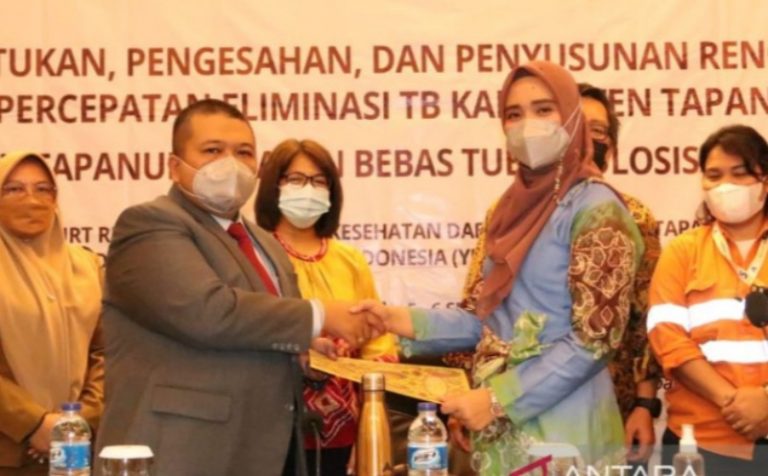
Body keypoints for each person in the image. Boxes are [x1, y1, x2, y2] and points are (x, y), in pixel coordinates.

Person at [359, 61, 644, 474]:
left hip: (567, 428)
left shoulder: (598, 210)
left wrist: (497, 399)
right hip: (502, 432)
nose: (528, 125)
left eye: (543, 109)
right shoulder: (511, 210)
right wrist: (392, 319)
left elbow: (595, 341)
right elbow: (487, 321)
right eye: (514, 114)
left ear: (571, 116)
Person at [95, 100, 382, 476]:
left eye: (244, 152)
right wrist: (320, 315)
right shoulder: (149, 225)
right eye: (212, 150)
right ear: (175, 166)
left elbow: (261, 329)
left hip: (266, 450)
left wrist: (304, 350)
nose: (230, 164)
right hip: (182, 453)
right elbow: (206, 313)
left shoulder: (265, 243)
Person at [255, 138, 400, 475]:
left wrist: (370, 428)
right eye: (295, 179)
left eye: (319, 182)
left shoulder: (350, 260)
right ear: (274, 186)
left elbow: (377, 347)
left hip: (342, 435)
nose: (308, 190)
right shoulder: (254, 255)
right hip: (269, 430)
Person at [648, 124, 768, 473]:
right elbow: (668, 339)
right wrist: (733, 402)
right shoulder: (683, 252)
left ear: (765, 181)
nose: (725, 185)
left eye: (740, 174)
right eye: (714, 175)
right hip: (698, 442)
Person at [0, 152, 103, 476]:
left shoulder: (87, 266)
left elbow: (105, 352)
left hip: (79, 448)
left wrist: (80, 419)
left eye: (43, 189)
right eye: (14, 189)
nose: (31, 200)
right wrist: (34, 424)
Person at [578, 82, 663, 467]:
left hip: (613, 410)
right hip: (524, 409)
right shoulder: (512, 216)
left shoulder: (634, 217)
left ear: (610, 148)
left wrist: (645, 404)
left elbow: (646, 318)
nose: (587, 139)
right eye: (576, 126)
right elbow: (484, 308)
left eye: (598, 130)